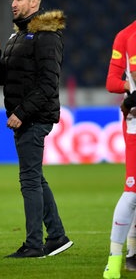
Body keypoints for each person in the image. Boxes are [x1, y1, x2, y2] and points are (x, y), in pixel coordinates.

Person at [0, 0, 73, 258]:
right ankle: (57, 236)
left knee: (29, 180)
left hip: (34, 118)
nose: (13, 3)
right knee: (35, 177)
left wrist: (21, 112)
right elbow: (4, 77)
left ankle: (35, 245)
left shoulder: (47, 36)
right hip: (26, 117)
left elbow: (49, 84)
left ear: (34, 3)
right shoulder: (17, 37)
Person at [103, 21, 136, 278]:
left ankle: (133, 254)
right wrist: (132, 88)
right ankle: (115, 259)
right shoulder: (126, 36)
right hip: (135, 121)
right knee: (132, 191)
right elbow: (112, 82)